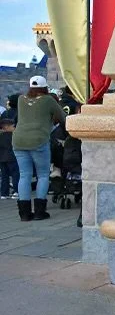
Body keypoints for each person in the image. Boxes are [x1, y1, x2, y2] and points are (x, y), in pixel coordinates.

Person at [12, 76, 66, 221]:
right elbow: (62, 117)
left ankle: (24, 213)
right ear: (45, 87)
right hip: (38, 140)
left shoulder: (20, 99)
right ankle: (39, 212)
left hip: (18, 141)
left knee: (24, 175)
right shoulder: (48, 100)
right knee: (42, 175)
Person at [0, 119, 19, 199]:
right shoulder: (13, 135)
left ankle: (4, 193)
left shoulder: (1, 135)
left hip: (1, 158)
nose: (14, 127)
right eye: (13, 126)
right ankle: (16, 191)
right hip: (12, 157)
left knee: (4, 176)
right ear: (7, 127)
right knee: (15, 175)